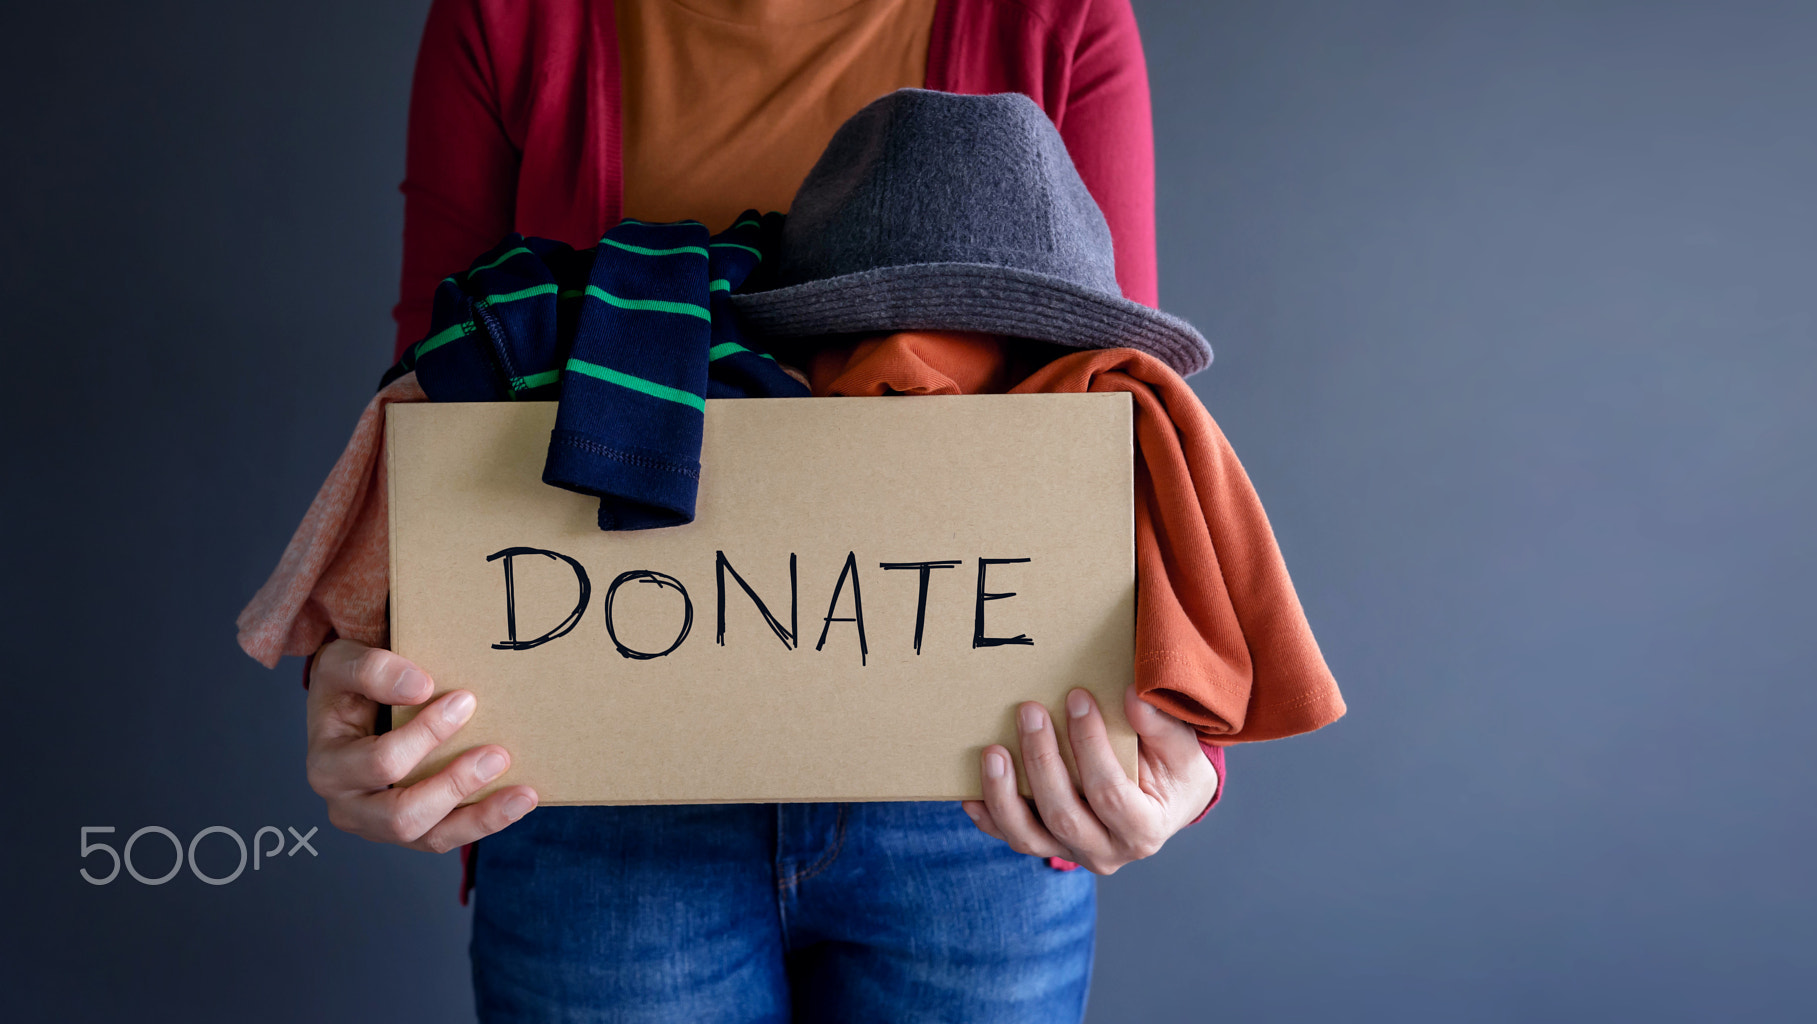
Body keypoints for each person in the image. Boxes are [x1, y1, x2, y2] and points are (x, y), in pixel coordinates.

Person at [305, 2, 1221, 1020]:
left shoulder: (1055, 16)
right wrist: (374, 677)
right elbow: (429, 401)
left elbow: (1120, 416)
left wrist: (1178, 750)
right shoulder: (511, 18)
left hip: (974, 786)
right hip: (598, 777)